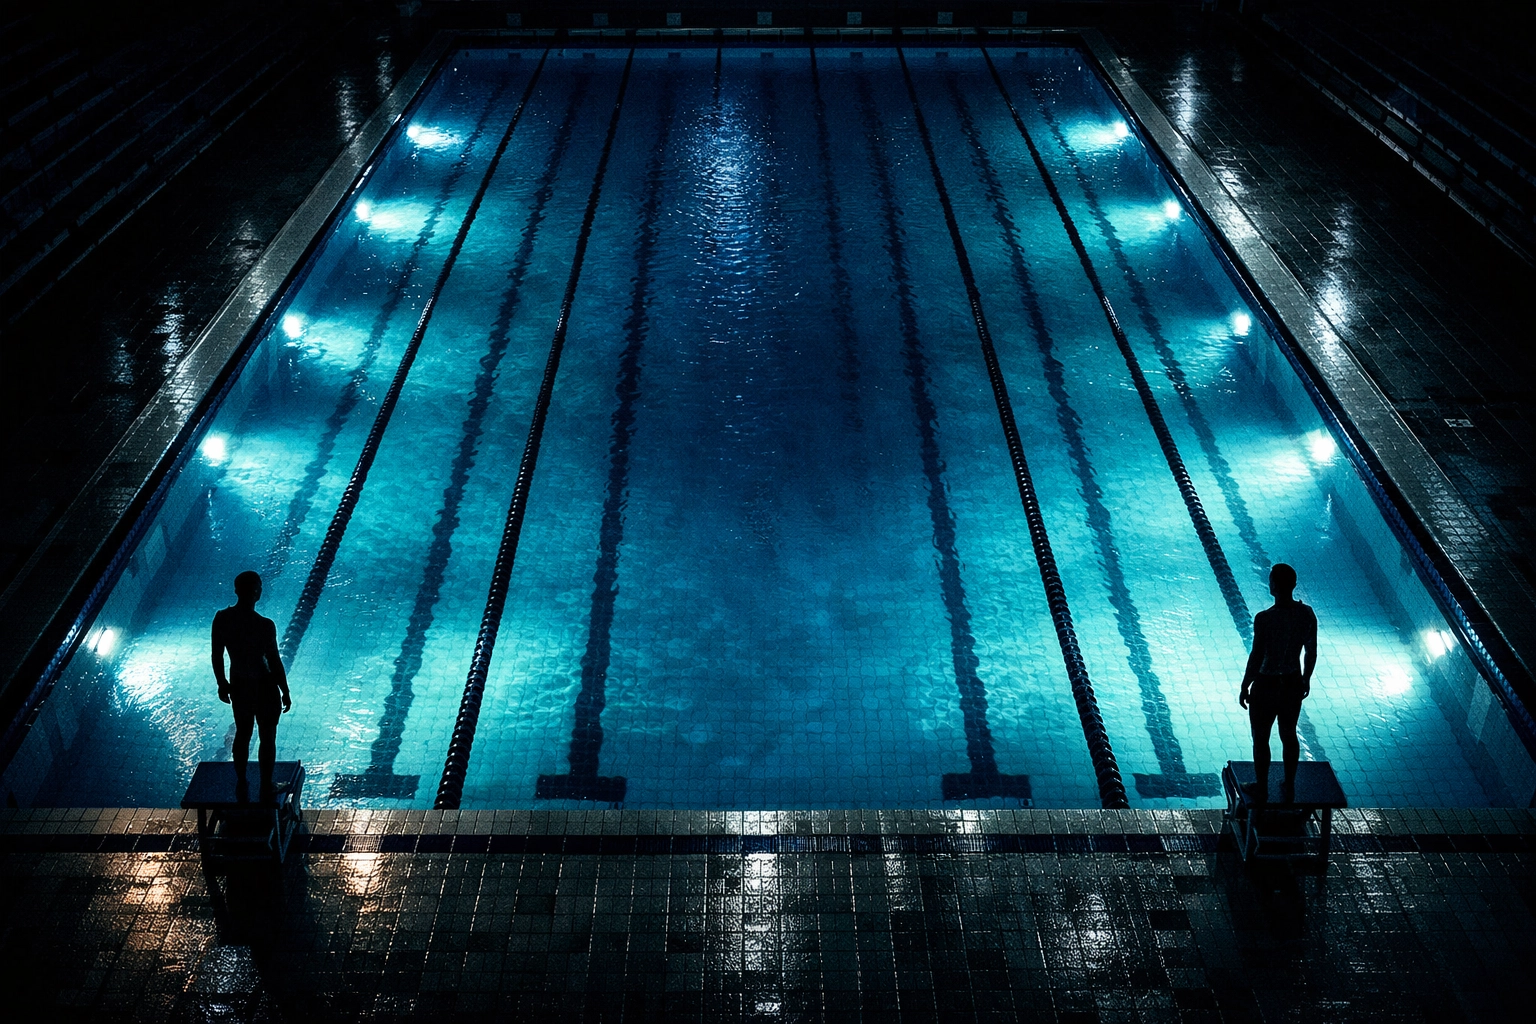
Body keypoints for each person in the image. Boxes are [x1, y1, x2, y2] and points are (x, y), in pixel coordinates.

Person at [1238, 563, 1316, 804]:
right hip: (1292, 682)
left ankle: (1262, 787)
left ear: (1273, 586)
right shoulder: (1306, 614)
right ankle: (1289, 783)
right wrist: (1306, 678)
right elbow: (1310, 652)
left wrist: (1245, 685)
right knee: (1289, 734)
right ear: (1293, 586)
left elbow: (1257, 656)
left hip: (1266, 685)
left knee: (1261, 738)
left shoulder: (1265, 619)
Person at [212, 571, 292, 800]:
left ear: (237, 591)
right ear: (256, 592)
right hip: (265, 687)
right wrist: (285, 690)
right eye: (258, 587)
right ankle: (266, 785)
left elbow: (216, 655)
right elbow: (274, 662)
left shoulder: (222, 619)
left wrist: (222, 683)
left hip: (239, 685)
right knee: (267, 737)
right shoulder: (264, 625)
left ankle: (241, 781)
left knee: (243, 734)